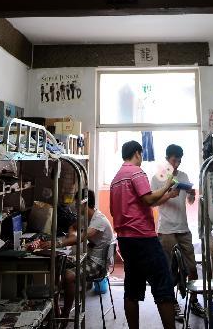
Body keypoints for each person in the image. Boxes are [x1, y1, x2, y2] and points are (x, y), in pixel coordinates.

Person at [110, 140, 180, 329]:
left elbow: (115, 210)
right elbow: (148, 198)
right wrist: (167, 185)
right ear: (138, 153)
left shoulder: (116, 179)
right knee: (163, 284)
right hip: (143, 238)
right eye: (141, 155)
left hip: (124, 240)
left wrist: (166, 195)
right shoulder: (136, 172)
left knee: (132, 288)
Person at [26, 189, 115, 328]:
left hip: (98, 264)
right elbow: (73, 227)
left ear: (84, 203)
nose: (74, 205)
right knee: (58, 263)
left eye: (77, 202)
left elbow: (81, 238)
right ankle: (56, 308)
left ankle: (66, 315)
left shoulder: (99, 220)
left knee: (69, 276)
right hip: (89, 257)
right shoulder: (87, 217)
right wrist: (71, 234)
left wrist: (59, 243)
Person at [151, 144, 206, 320]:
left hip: (183, 228)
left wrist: (192, 193)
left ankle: (194, 300)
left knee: (191, 267)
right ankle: (172, 303)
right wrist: (168, 195)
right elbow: (152, 203)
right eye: (174, 159)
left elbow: (190, 202)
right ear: (167, 159)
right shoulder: (158, 177)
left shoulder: (183, 176)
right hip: (166, 229)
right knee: (169, 269)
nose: (177, 163)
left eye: (180, 160)